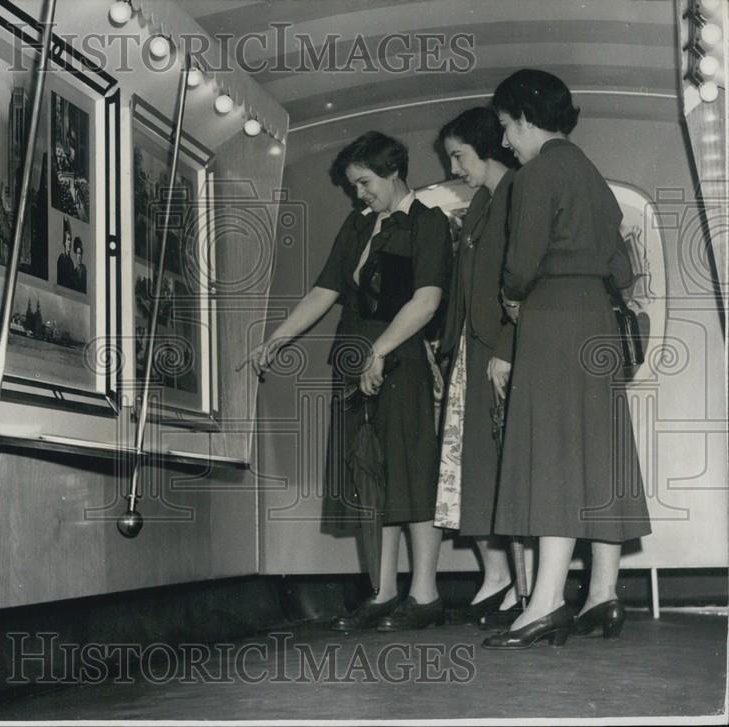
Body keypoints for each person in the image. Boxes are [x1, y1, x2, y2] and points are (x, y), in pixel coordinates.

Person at [244, 131, 451, 631]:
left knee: (410, 473)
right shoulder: (358, 227)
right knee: (366, 476)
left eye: (364, 183)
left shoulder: (428, 223)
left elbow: (426, 300)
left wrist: (380, 351)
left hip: (399, 359)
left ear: (393, 171)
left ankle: (424, 596)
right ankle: (382, 593)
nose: (359, 193)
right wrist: (277, 339)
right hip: (353, 358)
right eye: (354, 185)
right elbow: (324, 290)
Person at [482, 69, 651, 649]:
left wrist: (511, 295)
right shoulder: (592, 176)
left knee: (552, 451)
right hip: (596, 320)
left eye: (506, 127)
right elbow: (623, 270)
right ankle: (603, 593)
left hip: (552, 317)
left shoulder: (536, 175)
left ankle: (546, 600)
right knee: (598, 454)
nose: (505, 141)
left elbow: (521, 266)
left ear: (526, 118)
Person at [434, 107, 523, 628]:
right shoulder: (484, 203)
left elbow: (519, 286)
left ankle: (516, 584)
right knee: (477, 471)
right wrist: (446, 346)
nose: (454, 166)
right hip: (473, 350)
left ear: (487, 147)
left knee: (500, 468)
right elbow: (465, 289)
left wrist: (507, 345)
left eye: (459, 155)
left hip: (499, 350)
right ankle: (500, 577)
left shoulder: (515, 196)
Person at [56, 217, 77, 289]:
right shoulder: (61, 258)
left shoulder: (71, 262)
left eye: (70, 240)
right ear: (64, 242)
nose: (70, 242)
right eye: (68, 240)